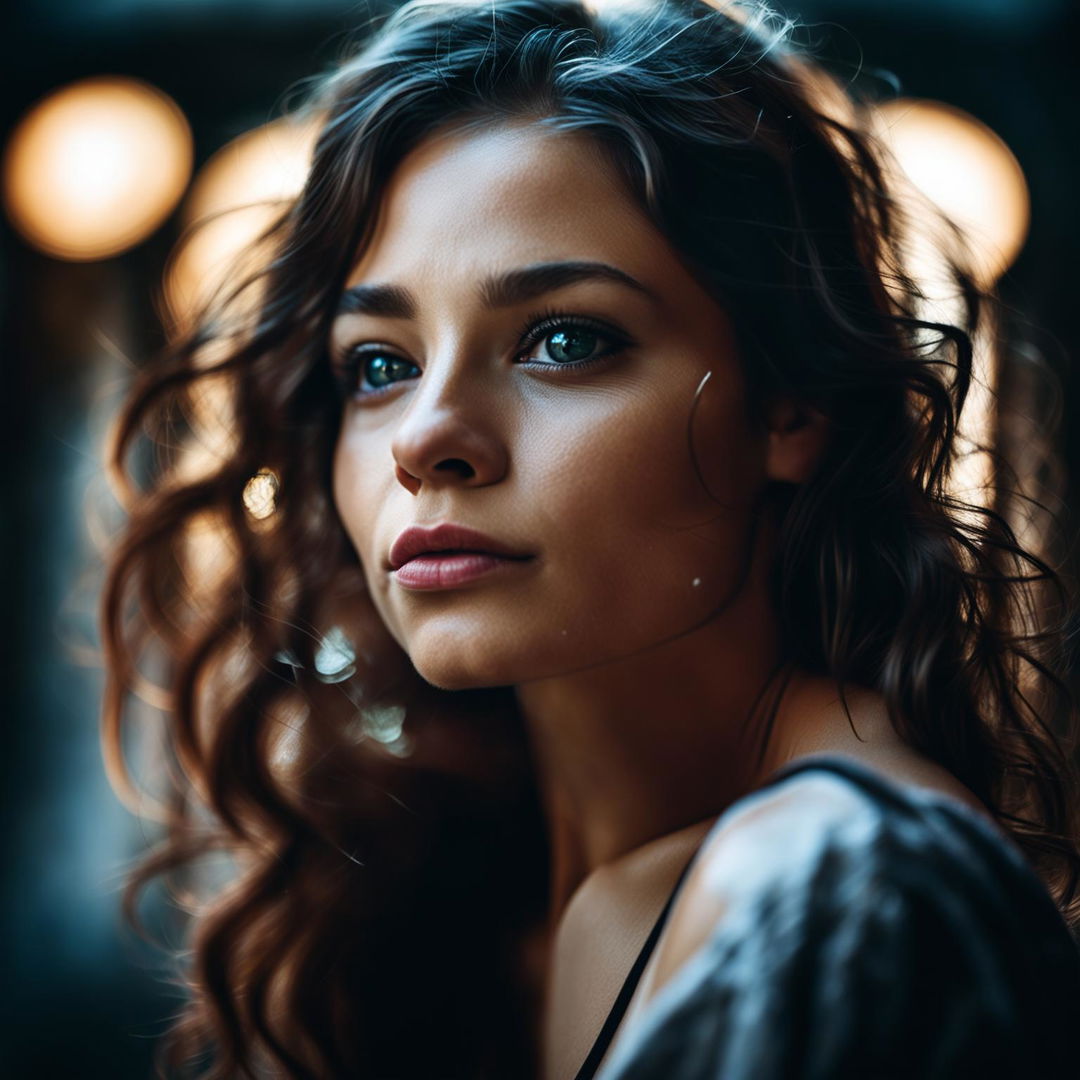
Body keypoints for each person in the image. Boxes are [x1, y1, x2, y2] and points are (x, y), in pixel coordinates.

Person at [99, 1, 1080, 1077]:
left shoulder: (851, 898)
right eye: (379, 363)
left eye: (565, 340)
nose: (426, 438)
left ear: (791, 407)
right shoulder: (474, 893)